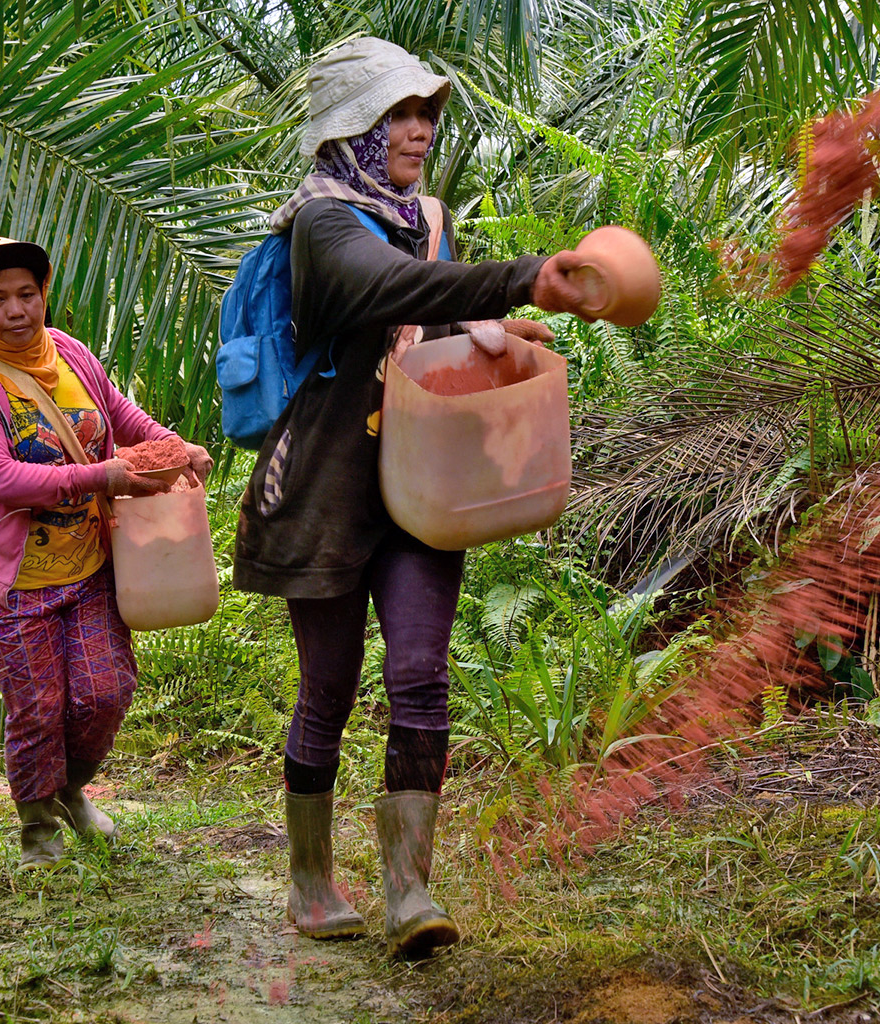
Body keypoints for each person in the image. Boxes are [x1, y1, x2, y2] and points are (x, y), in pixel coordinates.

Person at [232, 38, 591, 957]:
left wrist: (487, 329)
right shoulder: (320, 223)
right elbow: (379, 285)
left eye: (429, 111)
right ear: (355, 124)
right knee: (329, 689)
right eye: (402, 112)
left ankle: (408, 893)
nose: (421, 129)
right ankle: (311, 883)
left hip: (422, 478)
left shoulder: (429, 216)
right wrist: (521, 273)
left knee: (421, 674)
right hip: (326, 485)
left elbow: (425, 312)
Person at [0, 236, 212, 867]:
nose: (16, 310)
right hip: (12, 583)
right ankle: (38, 827)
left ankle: (71, 789)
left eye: (26, 294)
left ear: (43, 295)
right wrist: (104, 478)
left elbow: (121, 415)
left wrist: (175, 447)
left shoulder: (69, 352)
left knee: (106, 691)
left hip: (89, 566)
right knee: (38, 706)